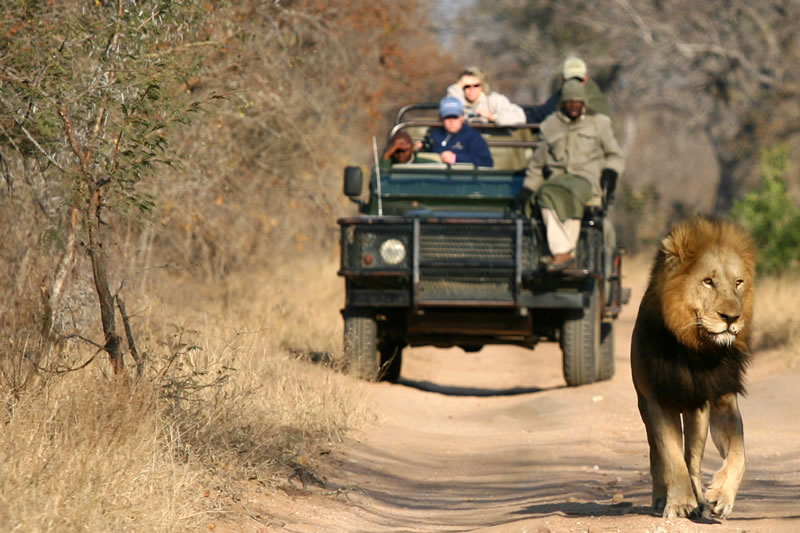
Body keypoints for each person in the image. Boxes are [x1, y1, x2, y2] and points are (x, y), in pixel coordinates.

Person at [512, 79, 624, 270]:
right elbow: (537, 165)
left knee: (569, 193)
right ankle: (565, 253)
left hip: (586, 179)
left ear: (584, 104)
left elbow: (614, 155)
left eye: (578, 103)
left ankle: (561, 253)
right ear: (563, 104)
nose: (574, 107)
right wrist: (526, 190)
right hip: (556, 180)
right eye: (569, 103)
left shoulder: (599, 123)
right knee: (545, 194)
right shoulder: (550, 125)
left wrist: (610, 173)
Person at [525, 55, 611, 124]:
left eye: (578, 79)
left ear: (586, 78)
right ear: (563, 78)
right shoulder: (562, 93)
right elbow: (543, 112)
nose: (573, 83)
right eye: (570, 79)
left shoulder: (595, 99)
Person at [419, 97, 494, 167]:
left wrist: (456, 158)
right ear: (441, 118)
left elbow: (487, 163)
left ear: (462, 117)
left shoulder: (473, 137)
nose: (451, 121)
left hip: (463, 178)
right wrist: (419, 149)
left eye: (455, 117)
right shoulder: (434, 134)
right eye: (447, 117)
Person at [446, 66, 526, 126]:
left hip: (494, 144)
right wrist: (458, 85)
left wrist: (493, 117)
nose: (471, 89)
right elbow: (448, 106)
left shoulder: (494, 100)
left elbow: (519, 117)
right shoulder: (458, 102)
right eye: (467, 86)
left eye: (476, 85)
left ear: (483, 85)